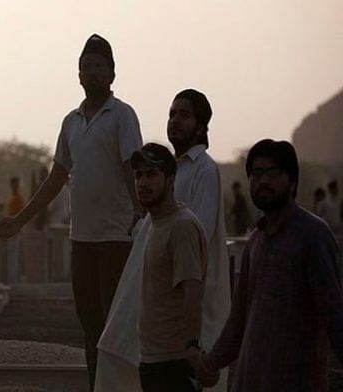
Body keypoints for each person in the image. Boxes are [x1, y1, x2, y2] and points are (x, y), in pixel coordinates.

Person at [0, 33, 143, 390]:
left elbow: (132, 170)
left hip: (116, 239)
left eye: (98, 66)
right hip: (83, 240)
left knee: (116, 326)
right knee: (90, 326)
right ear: (78, 74)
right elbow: (56, 177)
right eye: (85, 67)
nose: (91, 73)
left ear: (112, 73)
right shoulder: (71, 122)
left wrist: (142, 215)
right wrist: (20, 220)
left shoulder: (122, 116)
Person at [96, 89, 230, 392]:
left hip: (183, 305)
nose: (175, 121)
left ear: (201, 125)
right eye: (171, 114)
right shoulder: (170, 170)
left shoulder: (203, 169)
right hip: (153, 304)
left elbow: (198, 239)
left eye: (184, 115)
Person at [189, 139, 343, 391]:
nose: (263, 181)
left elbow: (335, 315)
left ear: (292, 182)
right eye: (256, 173)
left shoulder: (313, 235)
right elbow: (238, 323)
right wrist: (209, 364)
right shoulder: (256, 243)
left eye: (272, 173)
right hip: (250, 381)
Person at [130, 143, 207, 391]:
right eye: (139, 175)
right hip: (152, 358)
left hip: (173, 362)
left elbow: (192, 290)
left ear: (171, 180)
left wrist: (192, 348)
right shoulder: (153, 223)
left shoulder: (181, 227)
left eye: (152, 174)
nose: (143, 182)